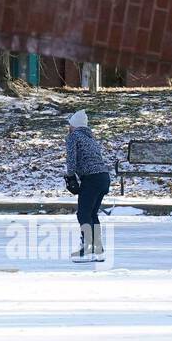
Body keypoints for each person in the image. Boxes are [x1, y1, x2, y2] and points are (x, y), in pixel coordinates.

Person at [64, 109, 112, 263]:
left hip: (91, 178)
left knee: (83, 214)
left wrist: (70, 176)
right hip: (103, 178)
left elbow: (71, 159)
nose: (69, 128)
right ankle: (98, 250)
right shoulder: (90, 137)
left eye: (70, 125)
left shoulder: (73, 136)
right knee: (92, 214)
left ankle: (88, 250)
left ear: (74, 125)